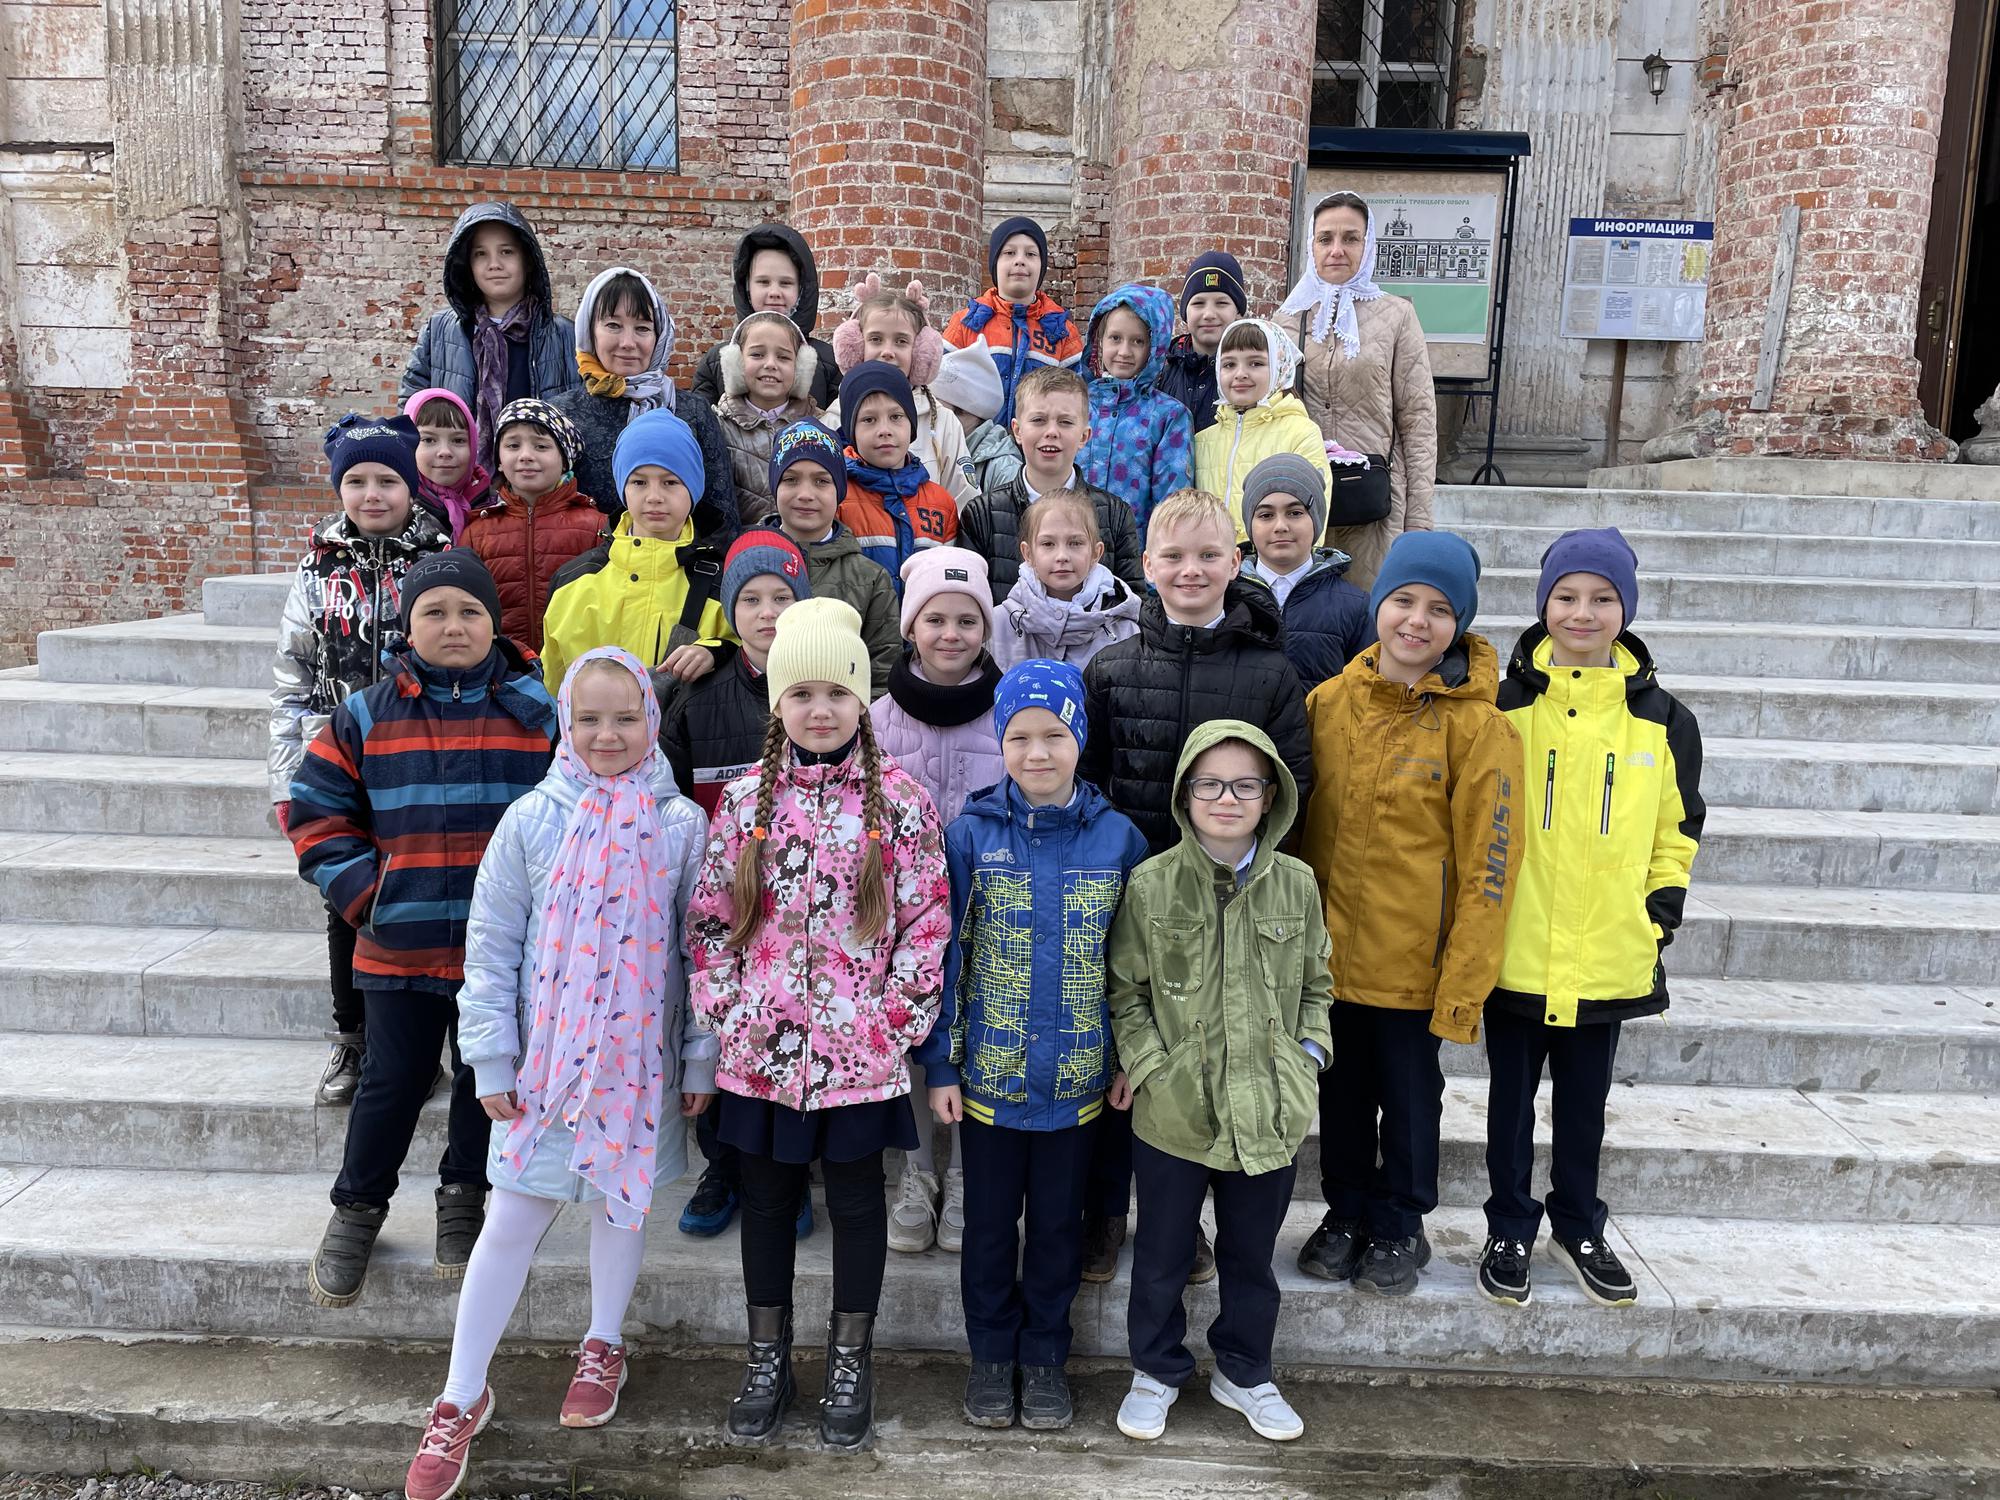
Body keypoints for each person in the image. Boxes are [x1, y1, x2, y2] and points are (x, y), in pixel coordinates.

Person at [401, 648, 710, 1500]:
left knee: (620, 1204)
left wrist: (700, 1055)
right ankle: (462, 1392)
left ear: (652, 722)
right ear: (565, 725)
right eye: (589, 719)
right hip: (546, 1066)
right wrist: (491, 1057)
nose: (608, 735)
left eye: (626, 718)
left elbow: (703, 952)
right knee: (510, 1217)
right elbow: (491, 948)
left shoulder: (681, 826)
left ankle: (604, 1342)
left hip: (637, 1064)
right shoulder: (531, 820)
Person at [686, 597, 949, 1452]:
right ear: (779, 705)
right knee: (766, 1201)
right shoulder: (743, 803)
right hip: (761, 1054)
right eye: (801, 694)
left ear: (862, 699)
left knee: (858, 1204)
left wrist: (892, 1023)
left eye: (837, 692)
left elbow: (927, 923)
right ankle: (768, 1356)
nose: (821, 709)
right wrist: (731, 1012)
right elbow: (711, 920)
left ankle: (849, 1358)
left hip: (859, 1055)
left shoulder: (900, 803)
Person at [287, 550, 557, 1309]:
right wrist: (368, 897)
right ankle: (358, 1206)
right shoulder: (366, 715)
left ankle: (464, 1196)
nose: (454, 625)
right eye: (435, 612)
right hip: (398, 946)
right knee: (392, 1080)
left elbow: (574, 816)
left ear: (496, 625)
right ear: (409, 626)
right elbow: (315, 814)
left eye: (470, 612)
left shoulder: (538, 714)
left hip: (502, 955)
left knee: (484, 1079)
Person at [1077, 487, 1313, 1286]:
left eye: (1209, 555)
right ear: (1146, 565)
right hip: (1131, 901)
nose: (1191, 570)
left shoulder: (1269, 673)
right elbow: (1090, 779)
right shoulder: (1112, 668)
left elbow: (1293, 783)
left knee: (1207, 1053)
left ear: (1235, 562)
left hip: (1230, 905)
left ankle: (1190, 1224)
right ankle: (1106, 1212)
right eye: (1174, 556)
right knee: (1128, 1057)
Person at [922, 660, 1148, 1431]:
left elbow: (1133, 966)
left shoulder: (1118, 840)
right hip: (989, 1081)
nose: (1037, 752)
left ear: (1079, 738)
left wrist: (1128, 1055)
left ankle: (1046, 1358)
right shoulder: (970, 835)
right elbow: (948, 958)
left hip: (1078, 1084)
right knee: (988, 1230)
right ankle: (991, 1357)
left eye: (1054, 735)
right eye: (1019, 737)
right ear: (1001, 743)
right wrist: (942, 1064)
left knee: (1057, 1230)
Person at [1481, 529, 1704, 1309]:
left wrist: (1656, 919)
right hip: (1517, 947)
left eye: (1602, 598)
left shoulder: (1664, 720)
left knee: (1584, 1107)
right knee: (1509, 1106)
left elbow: (1677, 831)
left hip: (1608, 951)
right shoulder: (1503, 705)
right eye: (1567, 596)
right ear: (1543, 604)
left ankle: (1578, 1224)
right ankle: (1509, 1226)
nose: (1583, 612)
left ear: (1625, 609)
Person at [1296, 530, 1522, 1296]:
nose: (1417, 621)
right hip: (1332, 960)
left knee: (1409, 1100)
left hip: (1414, 969)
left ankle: (1401, 1222)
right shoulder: (1329, 704)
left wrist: (1462, 986)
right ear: (1379, 606)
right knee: (1341, 1095)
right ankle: (1346, 1211)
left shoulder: (1480, 729)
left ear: (1460, 623)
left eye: (1439, 609)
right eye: (1403, 601)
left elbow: (1491, 868)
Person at [1107, 720, 1331, 1445]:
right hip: (1174, 1112)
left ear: (1271, 797)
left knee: (1249, 1255)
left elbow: (1318, 985)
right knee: (1163, 1253)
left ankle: (1245, 1370)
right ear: (1185, 795)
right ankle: (1155, 1369)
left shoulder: (1297, 884)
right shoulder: (1152, 883)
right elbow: (1126, 991)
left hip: (1268, 1107)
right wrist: (1151, 1066)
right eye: (1209, 784)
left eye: (1244, 785)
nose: (1226, 798)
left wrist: (1306, 1056)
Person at [270, 413, 451, 1109]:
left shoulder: (438, 557)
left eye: (386, 480)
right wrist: (288, 782)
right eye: (356, 481)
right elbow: (291, 679)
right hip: (337, 761)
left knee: (419, 893)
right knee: (344, 899)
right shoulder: (317, 566)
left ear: (410, 485)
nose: (372, 494)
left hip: (413, 760)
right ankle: (354, 1038)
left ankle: (426, 1045)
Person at [660, 529, 814, 1241]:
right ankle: (723, 1167)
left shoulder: (823, 691)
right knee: (722, 1039)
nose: (767, 612)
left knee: (795, 1037)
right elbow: (669, 796)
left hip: (804, 908)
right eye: (750, 598)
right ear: (728, 609)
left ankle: (792, 1172)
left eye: (782, 596)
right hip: (721, 905)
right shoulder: (700, 694)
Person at [869, 547, 1004, 1254]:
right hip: (905, 914)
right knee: (916, 1041)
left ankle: (970, 1178)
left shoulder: (1008, 714)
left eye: (966, 620)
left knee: (977, 1037)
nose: (951, 634)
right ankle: (918, 1172)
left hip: (989, 908)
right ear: (911, 627)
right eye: (935, 620)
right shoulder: (878, 720)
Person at [1281, 190, 1438, 590]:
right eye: (1325, 239)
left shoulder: (1397, 316)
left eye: (1350, 238)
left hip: (1377, 506)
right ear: (1311, 246)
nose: (1337, 250)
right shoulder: (1287, 320)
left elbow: (1418, 421)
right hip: (1303, 503)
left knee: (1370, 611)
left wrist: (1419, 520)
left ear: (1367, 245)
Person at [539, 409, 734, 692]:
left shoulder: (723, 583)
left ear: (694, 487)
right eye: (639, 482)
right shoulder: (573, 582)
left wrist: (719, 652)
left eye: (670, 482)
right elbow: (554, 689)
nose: (654, 497)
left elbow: (751, 662)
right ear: (623, 487)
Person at [545, 266, 737, 535]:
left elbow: (722, 517)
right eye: (613, 325)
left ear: (659, 337)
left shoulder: (692, 411)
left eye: (643, 328)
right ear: (590, 331)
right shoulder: (562, 415)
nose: (628, 342)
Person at [399, 202, 580, 471]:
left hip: (538, 482)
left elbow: (582, 415)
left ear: (527, 259)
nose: (494, 264)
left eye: (506, 252)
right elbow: (411, 409)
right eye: (481, 254)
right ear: (467, 264)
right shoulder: (440, 331)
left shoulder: (565, 335)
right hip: (457, 482)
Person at [958, 366, 1144, 604]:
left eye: (1065, 422)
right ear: (1017, 431)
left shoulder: (1114, 514)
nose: (1052, 432)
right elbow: (970, 603)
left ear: (1084, 436)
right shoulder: (982, 514)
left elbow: (1131, 602)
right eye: (1038, 420)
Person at [765, 419, 901, 695]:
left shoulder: (870, 579)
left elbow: (882, 676)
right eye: (791, 479)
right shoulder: (744, 564)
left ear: (838, 491)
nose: (806, 494)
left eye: (821, 481)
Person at [459, 398, 603, 653]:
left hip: (576, 667)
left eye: (541, 446)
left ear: (564, 459)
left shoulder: (596, 527)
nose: (526, 456)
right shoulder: (476, 532)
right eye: (513, 445)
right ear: (499, 459)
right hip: (502, 667)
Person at [824, 277, 978, 505]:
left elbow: (963, 500)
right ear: (855, 346)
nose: (888, 351)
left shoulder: (942, 422)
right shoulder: (835, 417)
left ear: (921, 351)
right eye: (876, 339)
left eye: (901, 341)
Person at [1237, 453, 1372, 694]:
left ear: (1316, 519)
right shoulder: (1225, 596)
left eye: (1295, 513)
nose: (1280, 526)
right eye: (1266, 515)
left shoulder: (1356, 607)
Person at [1193, 318, 1333, 538]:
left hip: (1275, 557)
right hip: (1213, 557)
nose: (1240, 373)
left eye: (1256, 363)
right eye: (1229, 364)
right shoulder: (1202, 440)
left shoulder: (1301, 433)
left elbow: (1313, 515)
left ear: (1280, 367)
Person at [943, 216, 1085, 427]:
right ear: (995, 263)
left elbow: (1077, 401)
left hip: (1040, 442)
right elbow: (939, 390)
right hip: (974, 443)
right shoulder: (966, 323)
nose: (1020, 260)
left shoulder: (1062, 331)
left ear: (1041, 266)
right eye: (1009, 253)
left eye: (1031, 254)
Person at [1077, 283, 1193, 538]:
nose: (1124, 351)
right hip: (1068, 550)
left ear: (1154, 348)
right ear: (1099, 340)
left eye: (1138, 341)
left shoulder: (1168, 416)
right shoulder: (1076, 405)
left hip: (1134, 554)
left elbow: (1172, 506)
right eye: (1115, 338)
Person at [689, 223, 843, 409]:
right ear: (747, 288)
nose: (774, 292)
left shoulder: (828, 362)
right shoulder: (716, 361)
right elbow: (701, 420)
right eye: (763, 282)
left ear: (802, 289)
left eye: (786, 283)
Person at [836, 361, 960, 583]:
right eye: (869, 420)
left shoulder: (942, 504)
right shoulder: (837, 497)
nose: (884, 430)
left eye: (896, 417)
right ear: (851, 430)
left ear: (911, 424)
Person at [990, 490, 1142, 670]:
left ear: (1096, 553)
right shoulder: (998, 625)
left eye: (1075, 543)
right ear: (1028, 553)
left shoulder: (1124, 630)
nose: (1062, 556)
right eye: (1048, 544)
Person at [713, 311, 822, 528]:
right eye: (757, 354)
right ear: (735, 362)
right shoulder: (717, 427)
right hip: (741, 544)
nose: (771, 364)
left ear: (801, 367)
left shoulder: (821, 425)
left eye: (783, 357)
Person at [1159, 251, 1247, 436]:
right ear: (1185, 312)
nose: (1209, 314)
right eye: (1198, 303)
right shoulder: (1161, 369)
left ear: (1238, 312)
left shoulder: (1251, 373)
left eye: (1221, 303)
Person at [403, 388, 489, 542]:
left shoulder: (496, 507)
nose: (445, 452)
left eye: (458, 440)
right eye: (429, 440)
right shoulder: (397, 511)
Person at [933, 340, 1017, 497]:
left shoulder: (1004, 470)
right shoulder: (938, 447)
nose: (930, 417)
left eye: (937, 409)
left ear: (967, 412)